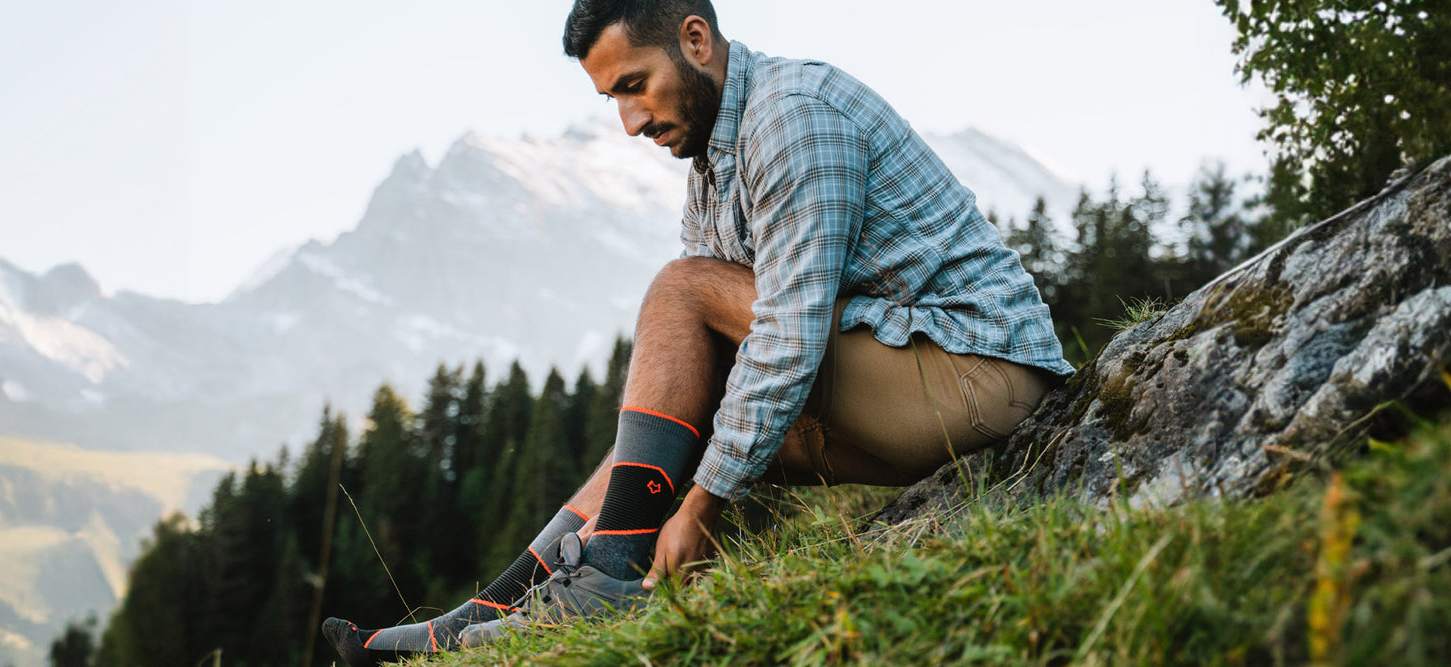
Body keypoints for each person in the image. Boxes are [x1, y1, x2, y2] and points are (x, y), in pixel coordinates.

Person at [323, 0, 1069, 662]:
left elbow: (788, 331)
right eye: (613, 98)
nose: (630, 121)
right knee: (654, 441)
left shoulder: (792, 113)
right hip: (904, 395)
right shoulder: (712, 162)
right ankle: (483, 612)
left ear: (695, 39)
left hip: (976, 377)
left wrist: (702, 504)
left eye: (634, 85)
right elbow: (705, 367)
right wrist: (679, 475)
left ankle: (609, 570)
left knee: (681, 289)